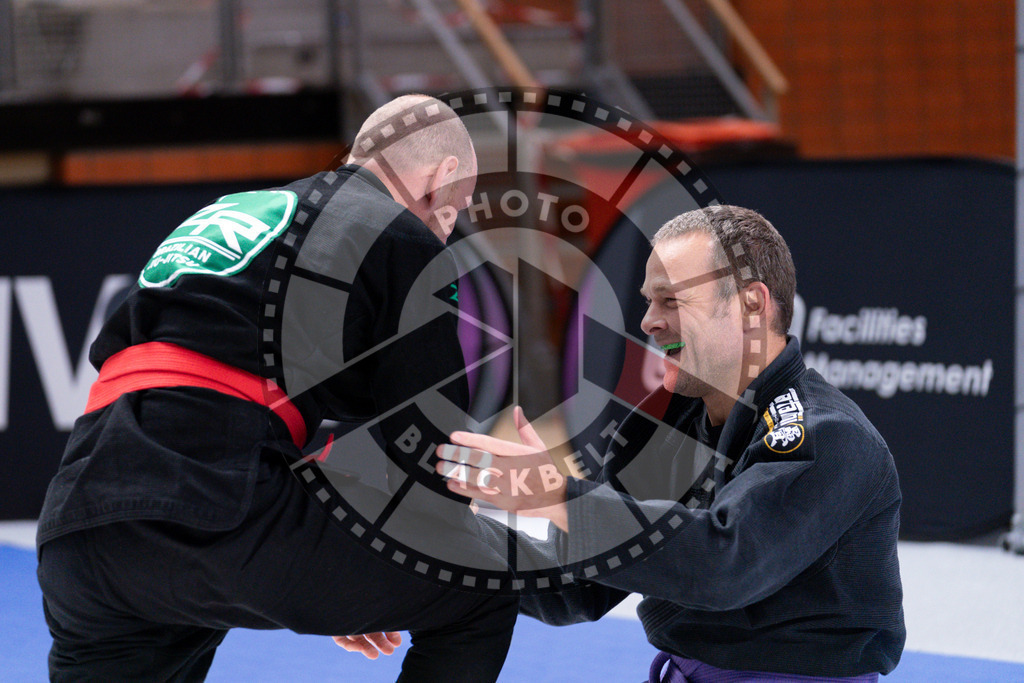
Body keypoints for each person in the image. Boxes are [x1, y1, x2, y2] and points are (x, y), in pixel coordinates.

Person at [36, 94, 518, 682]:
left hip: (80, 519)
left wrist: (342, 567)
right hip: (213, 510)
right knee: (479, 587)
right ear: (441, 178)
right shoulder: (398, 234)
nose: (450, 225)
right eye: (456, 207)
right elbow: (427, 443)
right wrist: (387, 568)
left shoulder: (238, 208)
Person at [432, 205, 906, 681]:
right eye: (648, 301)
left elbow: (724, 563)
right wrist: (447, 541)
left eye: (672, 301)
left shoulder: (825, 437)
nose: (648, 323)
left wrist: (558, 496)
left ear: (752, 306)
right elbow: (572, 585)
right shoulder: (665, 427)